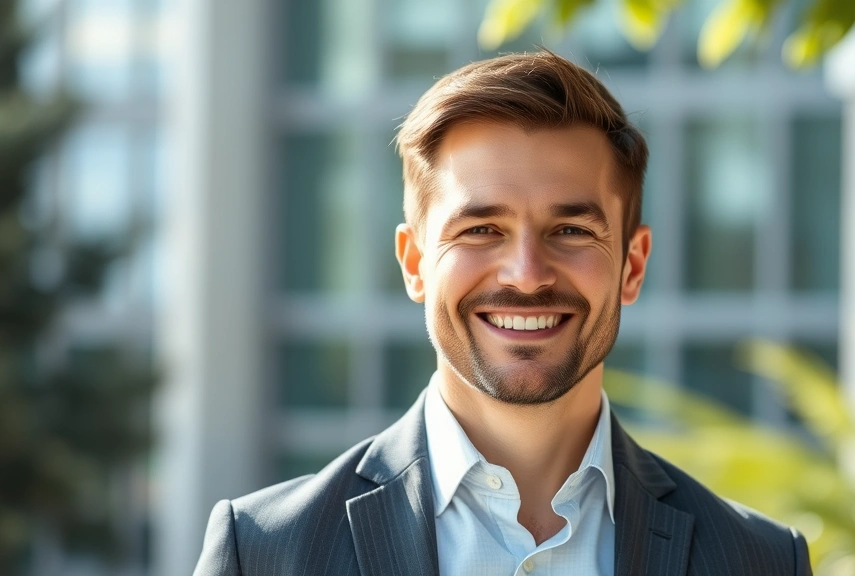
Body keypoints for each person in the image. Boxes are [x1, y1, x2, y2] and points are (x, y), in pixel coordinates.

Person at [194, 50, 812, 576]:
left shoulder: (759, 560)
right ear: (414, 263)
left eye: (570, 229)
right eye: (482, 228)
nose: (526, 273)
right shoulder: (265, 552)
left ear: (632, 264)